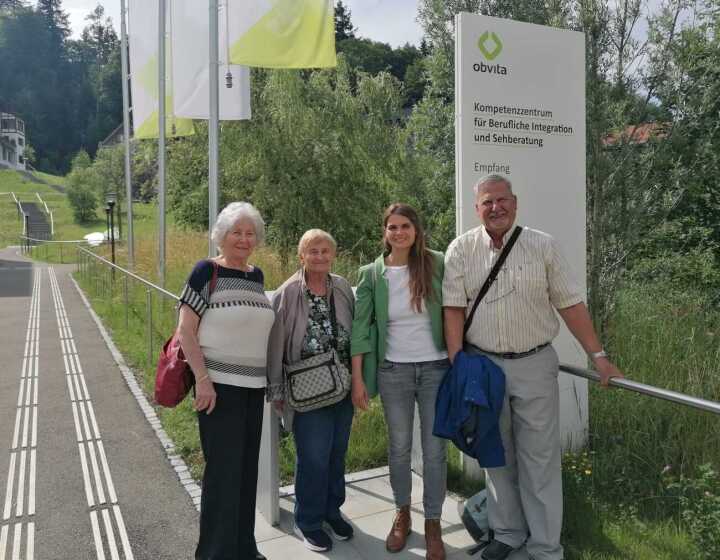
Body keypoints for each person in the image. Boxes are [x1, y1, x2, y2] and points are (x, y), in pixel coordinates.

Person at [442, 175, 624, 560]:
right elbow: (453, 309)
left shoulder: (542, 246)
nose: (496, 208)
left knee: (539, 461)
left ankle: (545, 548)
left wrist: (600, 357)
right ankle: (507, 534)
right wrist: (458, 363)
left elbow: (570, 304)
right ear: (477, 209)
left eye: (502, 200)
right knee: (496, 454)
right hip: (483, 367)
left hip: (535, 363)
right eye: (487, 202)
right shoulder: (461, 249)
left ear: (515, 203)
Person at [177, 202, 275, 560]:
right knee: (222, 475)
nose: (244, 239)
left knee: (247, 472)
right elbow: (186, 331)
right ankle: (215, 554)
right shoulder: (206, 271)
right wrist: (202, 380)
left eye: (250, 233)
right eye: (237, 232)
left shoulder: (256, 276)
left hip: (254, 390)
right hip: (218, 389)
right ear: (222, 235)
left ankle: (244, 549)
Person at [351, 203, 449, 560]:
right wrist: (358, 378)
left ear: (416, 229)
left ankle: (434, 522)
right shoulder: (372, 274)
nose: (399, 232)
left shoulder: (436, 263)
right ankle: (402, 513)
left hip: (436, 369)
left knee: (436, 449)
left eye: (405, 225)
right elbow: (360, 329)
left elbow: (456, 310)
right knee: (399, 446)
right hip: (393, 371)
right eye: (392, 227)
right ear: (385, 232)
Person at [266, 229, 355, 553]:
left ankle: (333, 511)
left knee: (336, 453)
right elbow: (275, 345)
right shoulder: (288, 293)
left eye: (325, 251)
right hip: (306, 390)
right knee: (314, 458)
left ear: (333, 255)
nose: (319, 256)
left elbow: (355, 333)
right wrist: (276, 391)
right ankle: (310, 521)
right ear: (301, 256)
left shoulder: (342, 286)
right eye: (312, 251)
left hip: (341, 384)